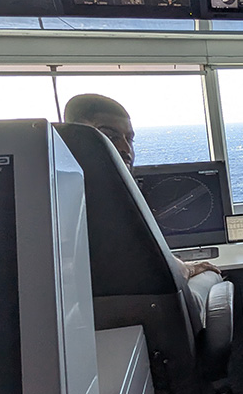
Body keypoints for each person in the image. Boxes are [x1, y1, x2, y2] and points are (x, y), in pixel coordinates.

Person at [63, 93, 220, 281]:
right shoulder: (109, 205)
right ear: (75, 136)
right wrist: (189, 268)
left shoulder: (64, 196)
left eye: (129, 139)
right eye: (110, 136)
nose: (125, 149)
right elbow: (161, 267)